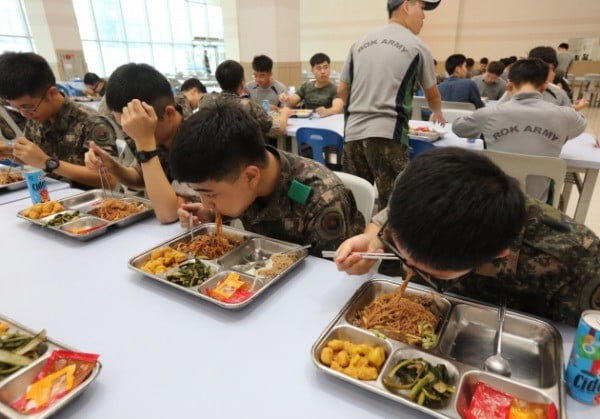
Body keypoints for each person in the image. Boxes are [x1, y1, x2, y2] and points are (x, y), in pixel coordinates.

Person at [335, 147, 600, 326]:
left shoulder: (578, 264)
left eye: (431, 274)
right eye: (403, 255)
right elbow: (390, 214)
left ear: (497, 254)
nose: (407, 268)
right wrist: (372, 239)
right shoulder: (420, 185)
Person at [171, 98, 365, 257]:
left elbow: (329, 276)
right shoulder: (243, 178)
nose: (206, 203)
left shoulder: (322, 200)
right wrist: (209, 215)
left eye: (210, 195)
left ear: (250, 177)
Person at [338, 0, 445, 210]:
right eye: (422, 9)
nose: (424, 17)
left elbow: (342, 90)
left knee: (357, 202)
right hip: (387, 135)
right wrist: (437, 112)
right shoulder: (417, 45)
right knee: (395, 205)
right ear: (407, 6)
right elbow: (432, 94)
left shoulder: (359, 43)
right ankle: (385, 243)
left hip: (352, 134)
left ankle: (354, 241)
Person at [452, 59, 586, 201]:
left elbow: (458, 127)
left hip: (495, 203)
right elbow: (581, 123)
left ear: (509, 85)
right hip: (540, 206)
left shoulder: (489, 114)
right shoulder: (565, 115)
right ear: (544, 87)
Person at [84, 63, 195, 223]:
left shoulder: (197, 138)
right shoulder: (152, 129)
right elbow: (140, 178)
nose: (132, 135)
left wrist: (145, 143)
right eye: (125, 128)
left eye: (136, 129)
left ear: (169, 113)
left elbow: (169, 213)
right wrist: (113, 167)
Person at [0, 52, 117, 188]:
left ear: (52, 93)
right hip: (50, 192)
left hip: (88, 201)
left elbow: (110, 179)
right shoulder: (37, 116)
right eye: (16, 108)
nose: (24, 114)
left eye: (27, 107)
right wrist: (12, 153)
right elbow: (36, 159)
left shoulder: (92, 122)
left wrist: (48, 163)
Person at [198, 60, 291, 138]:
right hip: (243, 156)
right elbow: (278, 130)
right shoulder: (248, 106)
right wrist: (285, 112)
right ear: (242, 83)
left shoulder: (205, 101)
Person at [279, 53, 343, 117]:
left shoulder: (335, 89)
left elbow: (338, 108)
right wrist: (285, 99)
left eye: (326, 68)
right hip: (307, 120)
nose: (323, 71)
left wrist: (327, 111)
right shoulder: (306, 86)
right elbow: (291, 102)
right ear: (312, 70)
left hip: (327, 121)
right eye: (319, 68)